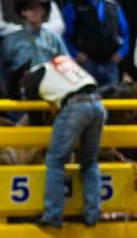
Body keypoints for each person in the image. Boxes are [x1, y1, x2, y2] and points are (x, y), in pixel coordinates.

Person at [20, 55, 105, 228]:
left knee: (55, 161)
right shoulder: (60, 63)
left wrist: (38, 134)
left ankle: (53, 216)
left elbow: (32, 109)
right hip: (98, 105)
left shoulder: (32, 75)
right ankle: (93, 214)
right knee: (89, 162)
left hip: (76, 107)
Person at [62, 0, 129, 87]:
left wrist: (121, 52)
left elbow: (125, 32)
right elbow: (65, 36)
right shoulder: (73, 6)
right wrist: (75, 54)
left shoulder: (114, 6)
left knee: (112, 99)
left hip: (110, 62)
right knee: (86, 97)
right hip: (86, 62)